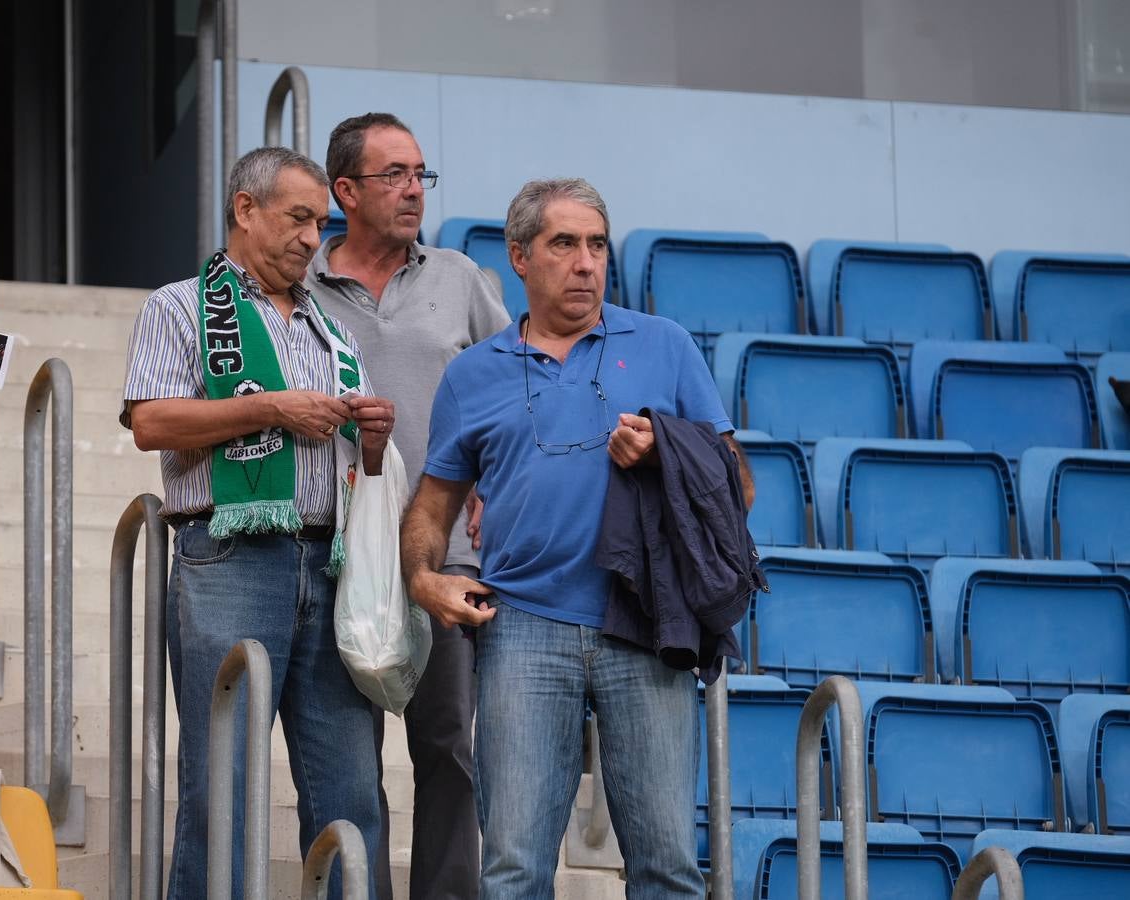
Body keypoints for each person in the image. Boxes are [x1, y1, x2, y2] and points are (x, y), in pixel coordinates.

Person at [401, 178, 752, 899]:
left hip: (645, 624)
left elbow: (739, 485)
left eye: (597, 245)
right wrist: (423, 578)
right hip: (521, 625)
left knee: (667, 869)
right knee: (512, 870)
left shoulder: (665, 345)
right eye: (564, 244)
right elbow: (433, 508)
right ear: (521, 257)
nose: (586, 262)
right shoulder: (472, 374)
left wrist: (668, 452)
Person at [122, 147, 395, 900]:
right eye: (298, 218)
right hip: (232, 557)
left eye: (321, 223)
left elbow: (360, 468)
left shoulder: (331, 332)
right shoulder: (178, 305)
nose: (314, 238)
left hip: (328, 562)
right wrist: (270, 407)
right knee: (225, 790)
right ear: (245, 210)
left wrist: (372, 435)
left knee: (352, 793)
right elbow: (150, 423)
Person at [308, 112, 509, 900]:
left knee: (448, 751)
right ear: (345, 191)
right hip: (333, 555)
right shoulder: (302, 286)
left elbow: (513, 389)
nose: (412, 190)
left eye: (420, 174)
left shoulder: (461, 278)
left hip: (446, 555)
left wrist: (496, 482)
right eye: (393, 174)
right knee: (344, 761)